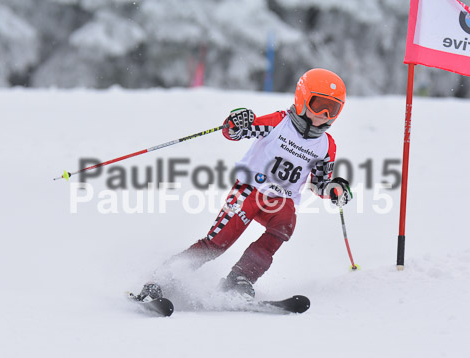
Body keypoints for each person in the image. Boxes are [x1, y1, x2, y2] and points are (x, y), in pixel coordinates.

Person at [135, 68, 353, 302]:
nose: (323, 114)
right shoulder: (278, 123)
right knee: (218, 243)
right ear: (302, 99)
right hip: (249, 191)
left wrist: (333, 190)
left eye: (331, 109)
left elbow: (320, 183)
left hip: (282, 200)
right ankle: (161, 278)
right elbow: (236, 132)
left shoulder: (326, 146)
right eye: (318, 104)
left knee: (285, 224)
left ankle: (240, 279)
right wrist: (236, 122)